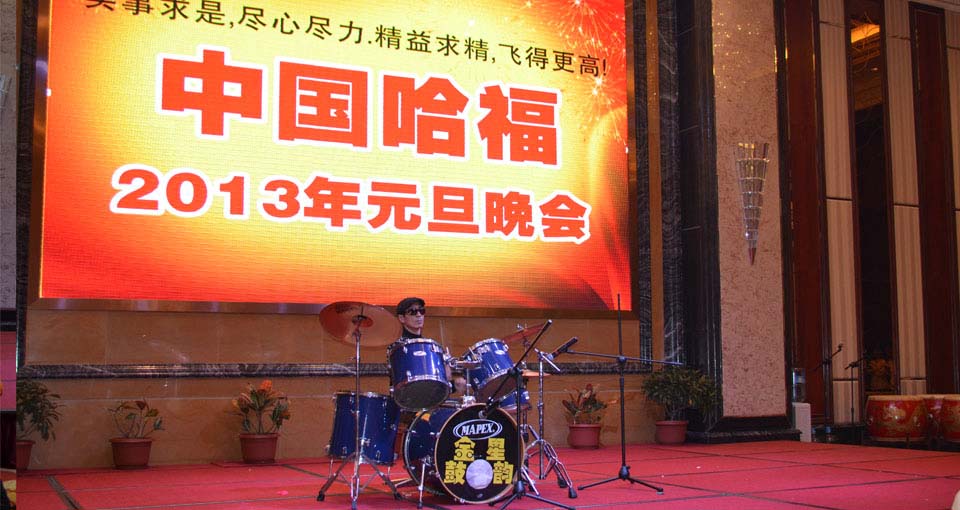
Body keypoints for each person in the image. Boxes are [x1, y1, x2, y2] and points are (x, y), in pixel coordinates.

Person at [395, 297, 468, 397]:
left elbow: (440, 385)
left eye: (421, 311)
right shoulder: (398, 348)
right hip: (409, 400)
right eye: (412, 312)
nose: (419, 315)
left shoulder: (431, 347)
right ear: (401, 318)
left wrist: (453, 384)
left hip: (431, 401)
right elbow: (416, 388)